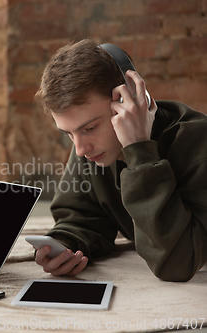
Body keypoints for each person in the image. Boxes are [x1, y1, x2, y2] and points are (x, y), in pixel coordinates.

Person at [33, 39, 207, 282]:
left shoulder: (198, 142)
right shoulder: (93, 149)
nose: (80, 149)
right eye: (68, 134)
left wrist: (139, 151)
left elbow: (177, 263)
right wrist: (65, 245)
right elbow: (83, 216)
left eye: (90, 127)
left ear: (132, 100)